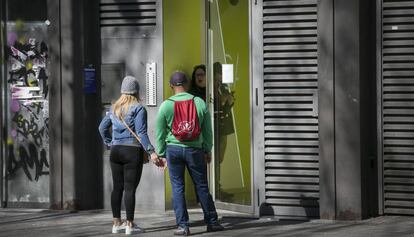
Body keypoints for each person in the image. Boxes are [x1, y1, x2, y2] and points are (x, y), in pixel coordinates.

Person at [156, 71, 224, 236]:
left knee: (178, 188)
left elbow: (160, 133)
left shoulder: (166, 105)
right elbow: (207, 130)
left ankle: (183, 226)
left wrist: (161, 154)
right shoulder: (199, 102)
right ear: (187, 84)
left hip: (173, 149)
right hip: (195, 149)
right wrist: (207, 149)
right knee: (201, 186)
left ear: (171, 86)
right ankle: (212, 222)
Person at [98, 76, 161, 235]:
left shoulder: (114, 108)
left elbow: (102, 128)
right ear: (136, 91)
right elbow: (141, 133)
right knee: (129, 189)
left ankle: (116, 223)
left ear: (122, 91)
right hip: (132, 151)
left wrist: (109, 142)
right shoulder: (138, 108)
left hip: (116, 151)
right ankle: (130, 225)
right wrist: (151, 152)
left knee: (117, 188)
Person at [213, 62, 235, 200]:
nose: (221, 76)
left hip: (225, 126)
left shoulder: (223, 86)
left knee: (220, 158)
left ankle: (218, 186)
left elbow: (228, 102)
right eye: (219, 73)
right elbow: (218, 102)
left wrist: (230, 98)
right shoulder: (213, 86)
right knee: (215, 158)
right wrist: (225, 98)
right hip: (217, 125)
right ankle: (216, 187)